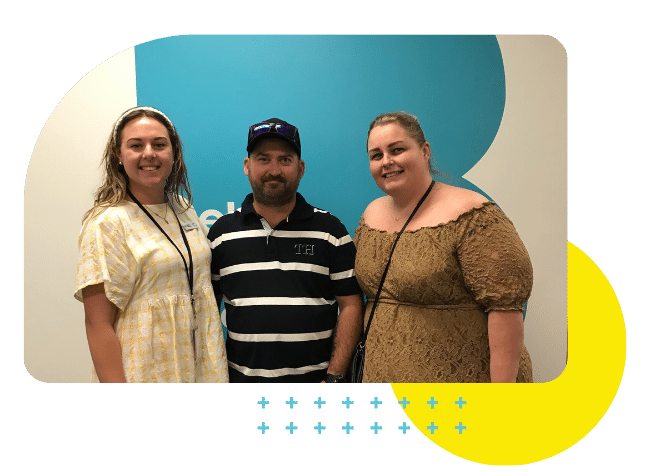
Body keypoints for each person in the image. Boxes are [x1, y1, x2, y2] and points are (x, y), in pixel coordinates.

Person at [354, 111, 533, 383]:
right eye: (376, 155)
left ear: (425, 151)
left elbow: (505, 310)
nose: (387, 161)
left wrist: (501, 399)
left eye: (397, 150)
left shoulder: (472, 215)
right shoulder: (371, 214)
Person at [74, 106, 228, 383]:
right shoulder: (107, 223)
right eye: (136, 145)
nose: (149, 153)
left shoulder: (182, 208)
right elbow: (97, 324)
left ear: (173, 152)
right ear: (118, 155)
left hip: (201, 367)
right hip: (145, 373)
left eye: (159, 144)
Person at [208, 118, 363, 382]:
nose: (274, 170)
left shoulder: (331, 231)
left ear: (300, 168)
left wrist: (335, 377)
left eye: (285, 160)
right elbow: (207, 310)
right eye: (263, 159)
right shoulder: (221, 234)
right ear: (247, 166)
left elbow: (351, 305)